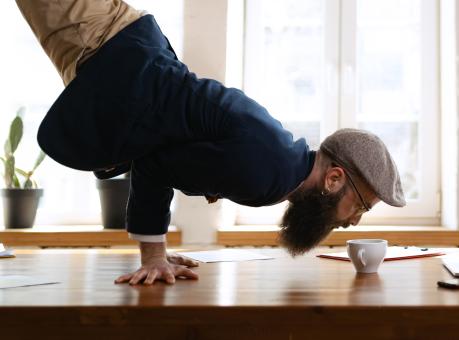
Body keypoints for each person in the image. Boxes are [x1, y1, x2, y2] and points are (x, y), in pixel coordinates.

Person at [15, 0, 406, 285]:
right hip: (98, 35)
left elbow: (169, 149)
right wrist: (153, 256)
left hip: (111, 41)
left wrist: (161, 249)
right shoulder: (267, 176)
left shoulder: (278, 163)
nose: (354, 221)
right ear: (334, 179)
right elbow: (154, 164)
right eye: (361, 206)